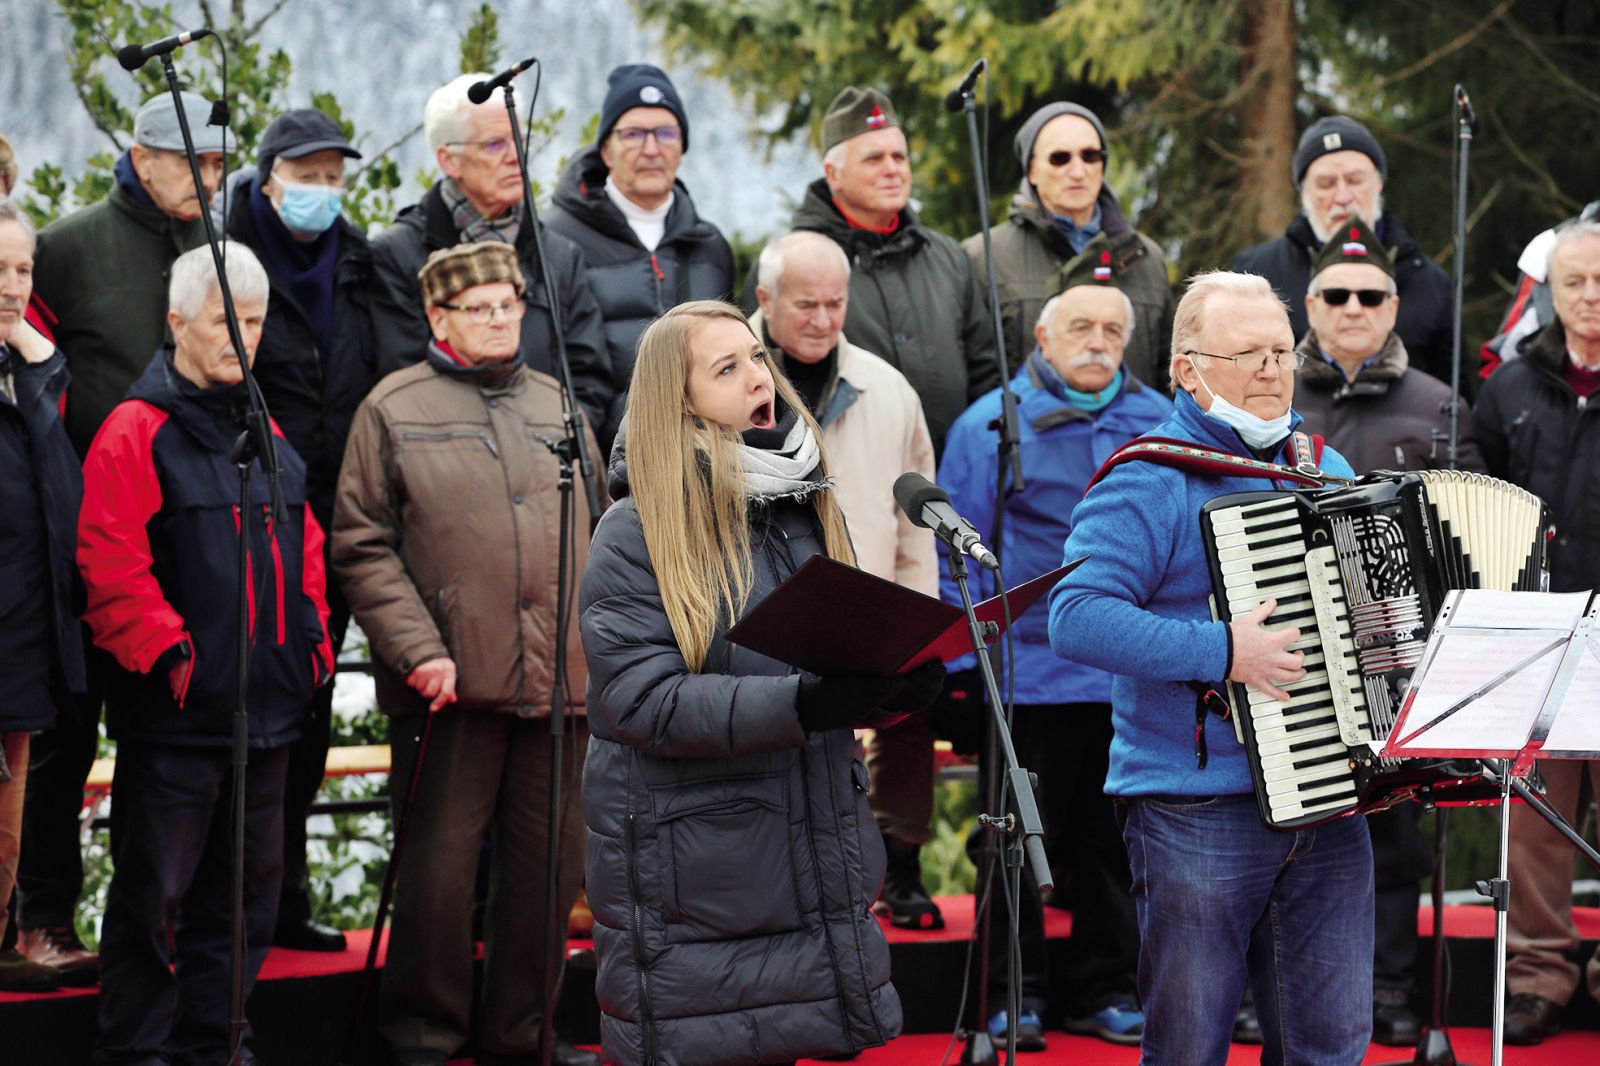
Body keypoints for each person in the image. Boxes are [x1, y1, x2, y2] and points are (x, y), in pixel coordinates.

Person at [578, 300, 944, 1065]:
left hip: (801, 843)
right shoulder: (636, 526)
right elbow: (640, 701)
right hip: (700, 870)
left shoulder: (796, 501)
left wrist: (885, 682)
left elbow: (813, 658)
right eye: (727, 367)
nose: (757, 377)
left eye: (756, 358)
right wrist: (806, 703)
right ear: (678, 400)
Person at [1048, 271, 1371, 1063]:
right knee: (1190, 1045)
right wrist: (1222, 649)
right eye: (1248, 354)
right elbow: (1074, 616)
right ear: (1189, 369)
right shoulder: (1149, 478)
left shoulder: (1327, 470)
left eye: (1281, 352)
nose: (1271, 369)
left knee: (1329, 1043)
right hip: (1197, 805)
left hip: (1330, 799)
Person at [332, 241, 601, 1066]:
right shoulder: (392, 407)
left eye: (508, 304)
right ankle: (423, 1037)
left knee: (547, 881)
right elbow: (361, 544)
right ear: (437, 317)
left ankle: (525, 1040)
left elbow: (603, 527)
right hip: (447, 685)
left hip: (561, 688)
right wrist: (417, 649)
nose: (496, 319)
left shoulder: (558, 405)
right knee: (439, 880)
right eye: (477, 307)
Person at [79, 242, 333, 1066]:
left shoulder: (265, 426)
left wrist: (313, 646)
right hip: (179, 717)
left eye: (254, 322)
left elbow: (309, 552)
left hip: (268, 717)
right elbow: (109, 563)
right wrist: (173, 657)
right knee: (152, 901)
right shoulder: (135, 430)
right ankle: (140, 1053)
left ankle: (220, 1047)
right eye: (227, 320)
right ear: (178, 320)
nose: (243, 337)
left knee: (247, 903)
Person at [941, 235, 1169, 1049]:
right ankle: (1016, 992)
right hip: (1028, 675)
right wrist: (965, 671)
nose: (1100, 344)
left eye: (1114, 330)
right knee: (1014, 840)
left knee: (1113, 846)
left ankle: (1103, 988)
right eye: (1082, 329)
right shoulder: (989, 425)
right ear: (1043, 337)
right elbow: (951, 552)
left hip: (1130, 674)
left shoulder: (1158, 422)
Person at [18, 90, 225, 986]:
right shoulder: (67, 249)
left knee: (166, 748)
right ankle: (39, 921)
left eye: (219, 165)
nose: (208, 180)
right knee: (64, 737)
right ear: (140, 157)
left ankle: (158, 927)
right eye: (190, 163)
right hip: (76, 539)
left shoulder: (222, 248)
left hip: (188, 542)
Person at [1291, 216, 1485, 1045]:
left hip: (1404, 655)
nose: (1353, 307)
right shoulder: (1279, 399)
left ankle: (1394, 989)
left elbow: (1472, 528)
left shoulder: (1439, 406)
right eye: (1336, 294)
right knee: (1297, 821)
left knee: (1397, 829)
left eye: (1370, 296)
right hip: (1297, 643)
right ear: (1311, 303)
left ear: (1395, 305)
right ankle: (1281, 985)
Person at [749, 230, 944, 927]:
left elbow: (916, 515)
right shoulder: (717, 375)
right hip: (761, 608)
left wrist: (922, 619)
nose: (824, 320)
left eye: (837, 303)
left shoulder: (887, 388)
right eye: (806, 304)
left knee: (909, 712)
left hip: (867, 594)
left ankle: (902, 865)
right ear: (764, 299)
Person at [220, 107, 377, 955]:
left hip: (339, 523)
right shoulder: (225, 257)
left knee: (311, 714)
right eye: (306, 174)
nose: (320, 191)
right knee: (243, 715)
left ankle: (282, 900)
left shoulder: (357, 261)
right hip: (247, 520)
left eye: (332, 176)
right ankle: (221, 907)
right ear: (270, 174)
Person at [1474, 220, 1600, 1046]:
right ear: (1550, 291)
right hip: (1541, 633)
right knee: (1536, 825)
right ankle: (1538, 975)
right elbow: (1479, 499)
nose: (1591, 299)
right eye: (1575, 284)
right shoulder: (1512, 385)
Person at [758, 87, 999, 455]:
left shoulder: (948, 257)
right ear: (832, 174)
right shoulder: (788, 264)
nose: (892, 170)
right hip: (845, 480)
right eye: (874, 159)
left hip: (951, 478)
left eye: (899, 157)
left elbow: (987, 376)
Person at [370, 73, 611, 429]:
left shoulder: (559, 256)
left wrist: (552, 445)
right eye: (496, 144)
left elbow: (589, 380)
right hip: (448, 463)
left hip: (550, 462)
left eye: (520, 140)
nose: (516, 157)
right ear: (449, 161)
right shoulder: (399, 254)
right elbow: (405, 384)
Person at [545, 63, 735, 452]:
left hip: (707, 466)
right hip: (607, 473)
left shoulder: (709, 244)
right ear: (606, 150)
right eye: (633, 134)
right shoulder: (555, 241)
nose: (651, 149)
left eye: (665, 133)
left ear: (682, 147)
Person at [0, 199, 86, 993]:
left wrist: (34, 370)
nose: (11, 286)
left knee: (6, 832)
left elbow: (62, 504)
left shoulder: (30, 374)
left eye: (22, 268)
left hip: (26, 648)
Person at [1230, 116, 1458, 383]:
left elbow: (1453, 395)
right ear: (1303, 193)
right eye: (1326, 184)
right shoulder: (1255, 277)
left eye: (1354, 180)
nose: (1342, 197)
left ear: (1379, 184)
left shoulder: (1426, 280)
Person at [962, 102, 1173, 388]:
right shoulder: (982, 256)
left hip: (1133, 431)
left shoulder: (1146, 257)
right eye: (1060, 158)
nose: (1078, 171)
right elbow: (975, 374)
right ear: (1032, 171)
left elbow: (1167, 374)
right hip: (1031, 430)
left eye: (1090, 156)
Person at [1479, 198, 1600, 379]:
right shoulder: (1551, 245)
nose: (1591, 295)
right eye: (1574, 282)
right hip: (1557, 385)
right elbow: (1505, 356)